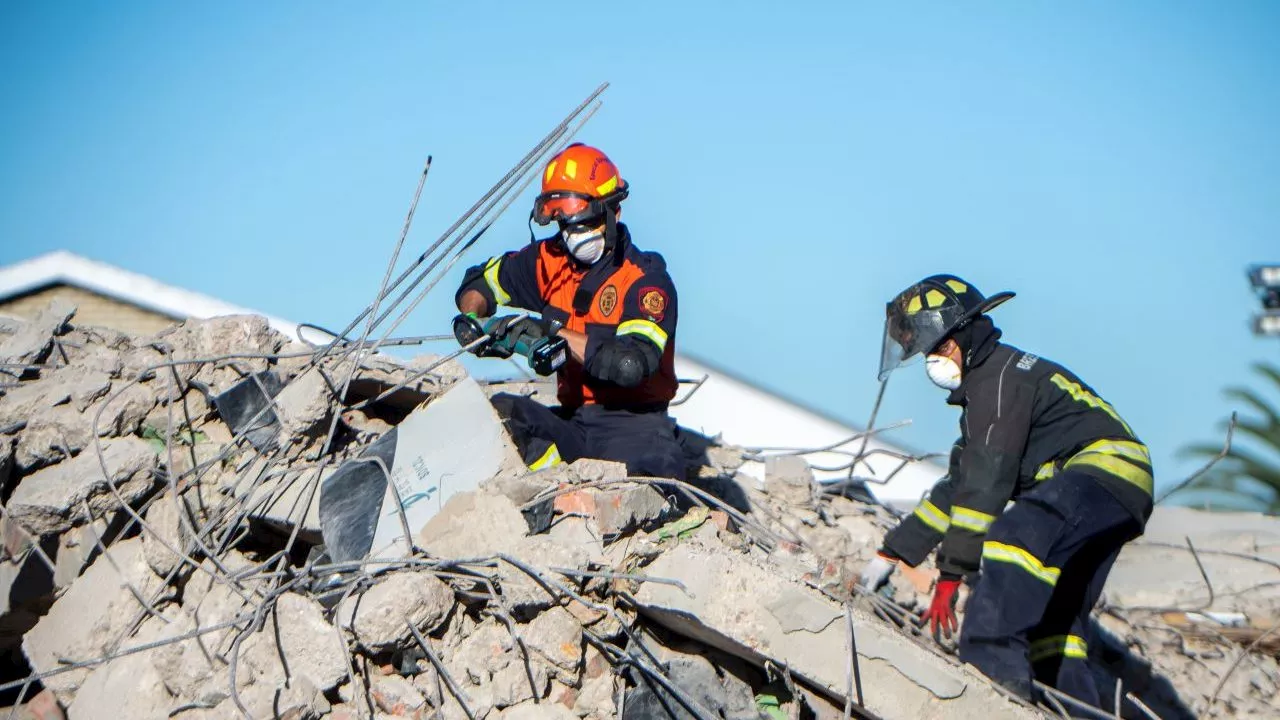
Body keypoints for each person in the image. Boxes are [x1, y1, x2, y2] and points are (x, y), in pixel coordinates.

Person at [860, 273, 1153, 711]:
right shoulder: (989, 391)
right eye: (926, 353)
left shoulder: (998, 382)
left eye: (940, 348)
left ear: (966, 333)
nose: (933, 362)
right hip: (1120, 490)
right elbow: (960, 486)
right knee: (1053, 628)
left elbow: (985, 487)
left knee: (1011, 540)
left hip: (1103, 473)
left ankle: (989, 662)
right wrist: (896, 551)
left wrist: (952, 573)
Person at [452, 142, 685, 479]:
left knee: (652, 474)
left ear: (613, 212)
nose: (572, 236)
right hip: (574, 422)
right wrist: (474, 320)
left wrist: (546, 332)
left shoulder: (646, 280)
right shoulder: (550, 262)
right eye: (564, 225)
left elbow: (631, 364)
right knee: (499, 414)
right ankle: (551, 490)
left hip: (636, 428)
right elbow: (480, 282)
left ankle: (593, 499)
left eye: (582, 224)